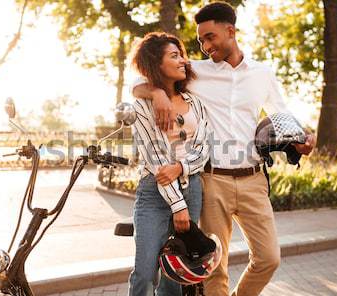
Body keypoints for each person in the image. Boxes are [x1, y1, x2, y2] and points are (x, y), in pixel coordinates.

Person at [132, 2, 316, 296]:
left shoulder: (262, 74)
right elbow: (142, 80)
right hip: (212, 180)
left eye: (209, 37)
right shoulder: (196, 72)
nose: (204, 46)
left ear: (230, 31)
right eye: (200, 40)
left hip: (254, 180)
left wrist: (305, 136)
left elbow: (284, 116)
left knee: (269, 258)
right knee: (214, 270)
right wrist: (156, 94)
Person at [128, 32, 210, 296]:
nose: (183, 61)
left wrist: (182, 168)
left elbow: (204, 148)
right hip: (154, 193)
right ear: (156, 62)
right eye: (174, 56)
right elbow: (155, 159)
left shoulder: (195, 103)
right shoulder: (141, 105)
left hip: (192, 188)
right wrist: (178, 205)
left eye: (182, 55)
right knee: (144, 273)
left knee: (175, 274)